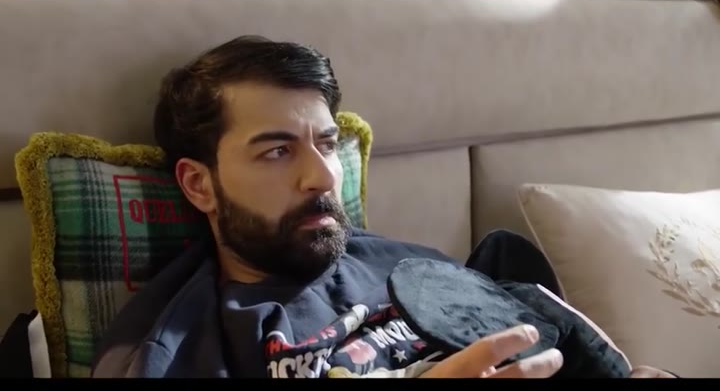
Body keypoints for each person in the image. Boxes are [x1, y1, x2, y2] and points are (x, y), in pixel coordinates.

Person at [91, 35, 676, 379]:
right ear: (199, 185)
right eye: (276, 151)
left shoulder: (417, 266)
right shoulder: (178, 346)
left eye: (326, 145)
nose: (323, 176)